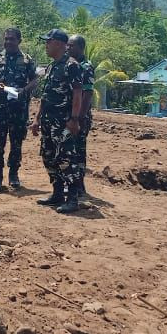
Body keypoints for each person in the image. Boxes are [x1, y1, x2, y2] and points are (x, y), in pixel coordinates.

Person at [31, 28, 84, 214]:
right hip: (48, 121)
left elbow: (78, 93)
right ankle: (57, 193)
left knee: (66, 159)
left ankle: (73, 198)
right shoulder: (52, 66)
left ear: (60, 44)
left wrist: (74, 119)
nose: (46, 45)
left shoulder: (72, 66)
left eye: (49, 41)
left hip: (63, 122)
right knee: (48, 157)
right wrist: (37, 119)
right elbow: (46, 96)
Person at [0, 27, 38, 192]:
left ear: (19, 41)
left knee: (17, 143)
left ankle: (13, 174)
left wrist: (25, 90)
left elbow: (35, 79)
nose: (8, 41)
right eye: (6, 39)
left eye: (11, 39)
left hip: (19, 109)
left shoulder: (27, 60)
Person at [67, 34, 95, 199]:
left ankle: (80, 187)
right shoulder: (71, 64)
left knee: (78, 151)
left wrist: (79, 118)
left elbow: (87, 93)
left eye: (72, 46)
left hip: (80, 117)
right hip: (71, 115)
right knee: (70, 150)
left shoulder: (86, 66)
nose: (68, 48)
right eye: (68, 45)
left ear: (80, 48)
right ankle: (73, 185)